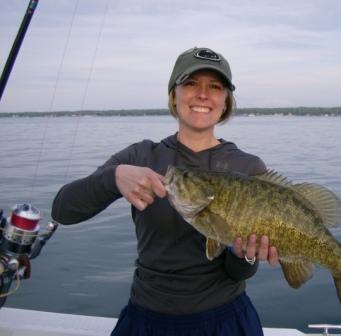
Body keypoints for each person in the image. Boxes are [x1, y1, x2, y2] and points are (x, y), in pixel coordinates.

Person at [51, 46, 279, 336]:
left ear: (225, 102)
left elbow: (239, 273)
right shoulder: (140, 156)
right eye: (191, 84)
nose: (202, 94)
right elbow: (62, 211)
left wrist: (245, 255)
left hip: (226, 319)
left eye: (215, 87)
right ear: (173, 95)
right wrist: (114, 177)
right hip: (146, 318)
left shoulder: (247, 167)